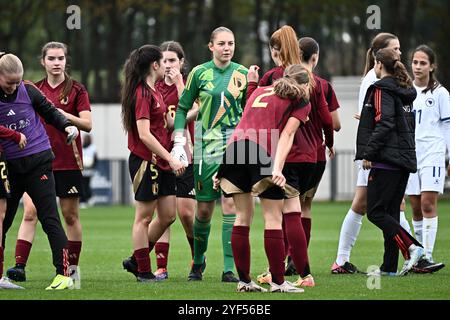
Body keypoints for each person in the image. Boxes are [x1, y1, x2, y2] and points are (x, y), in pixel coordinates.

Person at [217, 64, 311, 293]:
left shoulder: (259, 90)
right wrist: (277, 168)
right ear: (305, 84)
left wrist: (222, 169)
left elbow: (244, 122)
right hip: (262, 151)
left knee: (241, 217)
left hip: (235, 150)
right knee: (272, 218)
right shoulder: (300, 99)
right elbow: (287, 135)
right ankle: (279, 283)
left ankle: (245, 282)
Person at [6, 42, 92, 289]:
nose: (57, 62)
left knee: (69, 216)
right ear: (42, 61)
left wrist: (62, 116)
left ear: (66, 61)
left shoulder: (76, 89)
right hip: (35, 162)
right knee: (30, 212)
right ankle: (19, 266)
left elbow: (87, 124)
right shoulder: (32, 87)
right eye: (51, 58)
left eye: (61, 58)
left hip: (67, 161)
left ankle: (70, 270)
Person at [171, 27, 248, 282]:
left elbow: (250, 114)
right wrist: (179, 143)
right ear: (211, 46)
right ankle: (198, 261)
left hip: (235, 148)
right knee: (203, 211)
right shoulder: (199, 73)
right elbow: (182, 108)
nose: (227, 48)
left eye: (231, 43)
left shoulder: (244, 74)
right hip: (206, 149)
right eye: (222, 44)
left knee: (229, 205)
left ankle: (229, 269)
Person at [331, 33, 412, 274]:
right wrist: (369, 151)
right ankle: (414, 252)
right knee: (374, 207)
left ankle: (400, 259)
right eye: (395, 49)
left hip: (382, 152)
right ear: (380, 56)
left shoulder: (394, 81)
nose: (399, 53)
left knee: (375, 206)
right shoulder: (374, 80)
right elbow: (378, 120)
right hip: (377, 153)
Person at [122, 41, 199, 281]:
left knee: (168, 216)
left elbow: (167, 123)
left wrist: (179, 144)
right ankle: (144, 270)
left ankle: (136, 259)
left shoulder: (154, 90)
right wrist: (170, 157)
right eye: (162, 61)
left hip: (164, 161)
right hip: (147, 161)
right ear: (155, 64)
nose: (166, 65)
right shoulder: (142, 93)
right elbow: (144, 134)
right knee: (143, 217)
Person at [355, 47, 422, 276]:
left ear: (378, 64)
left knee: (375, 212)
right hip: (402, 160)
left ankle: (413, 247)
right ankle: (389, 267)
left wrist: (369, 153)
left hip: (385, 161)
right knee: (391, 213)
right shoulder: (404, 89)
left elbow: (385, 124)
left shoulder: (381, 88)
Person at [404, 45, 449, 273]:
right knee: (415, 207)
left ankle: (428, 255)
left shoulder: (440, 94)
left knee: (428, 203)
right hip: (410, 155)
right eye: (415, 62)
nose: (418, 67)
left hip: (433, 153)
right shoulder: (405, 91)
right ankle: (420, 256)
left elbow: (448, 127)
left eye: (423, 63)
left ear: (432, 66)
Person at [80, 133, 97, 206]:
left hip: (89, 170)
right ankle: (83, 200)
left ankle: (87, 199)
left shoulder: (93, 148)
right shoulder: (81, 147)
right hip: (82, 170)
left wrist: (92, 165)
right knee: (82, 185)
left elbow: (95, 159)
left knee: (86, 185)